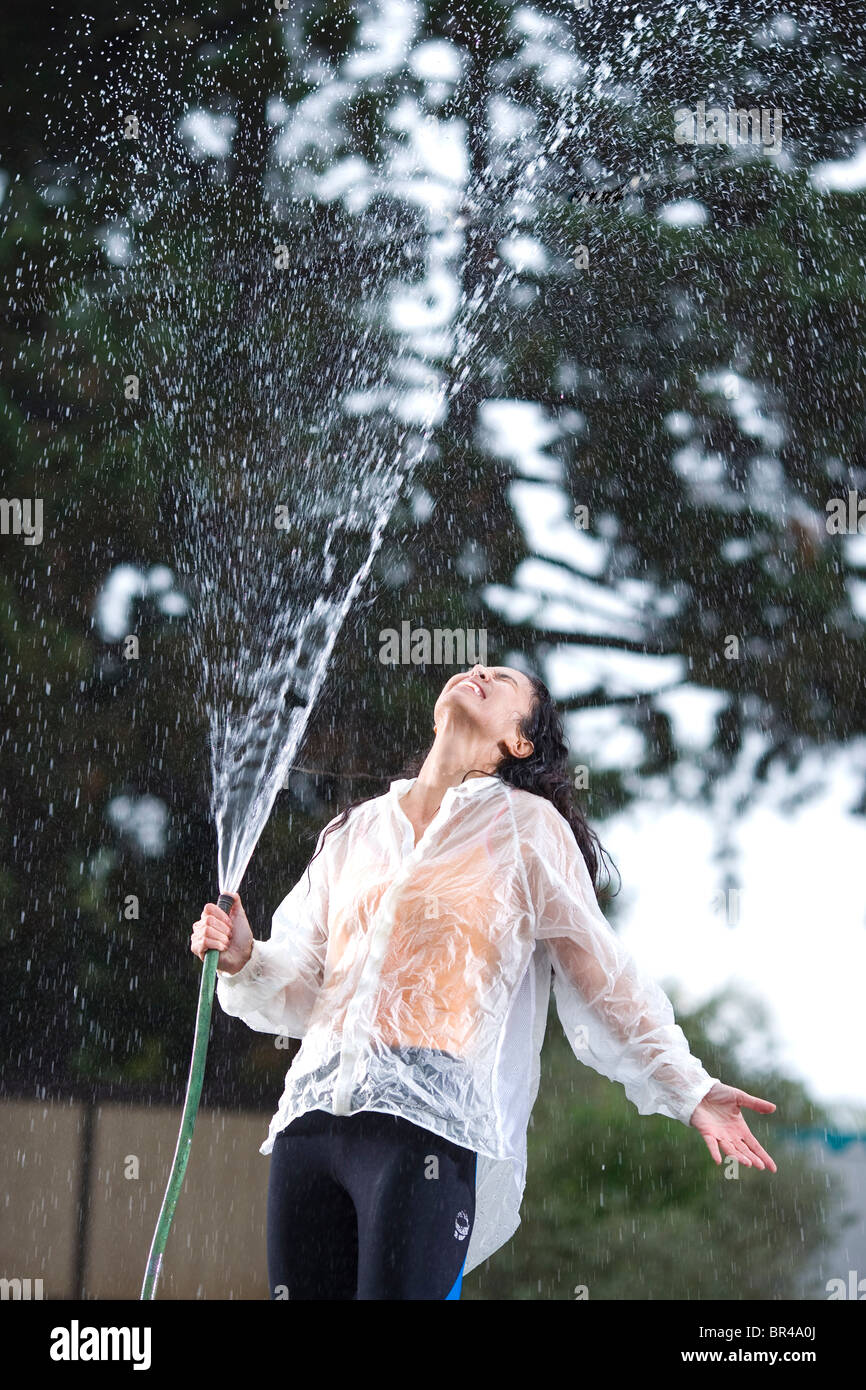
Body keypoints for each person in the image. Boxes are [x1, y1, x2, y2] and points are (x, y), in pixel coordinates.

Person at [190, 663, 777, 1300]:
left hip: (427, 1126)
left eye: (499, 679)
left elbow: (605, 978)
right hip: (311, 1122)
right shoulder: (356, 831)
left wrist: (687, 1086)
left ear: (519, 744)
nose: (477, 671)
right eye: (475, 668)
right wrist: (245, 954)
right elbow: (307, 985)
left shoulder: (528, 828)